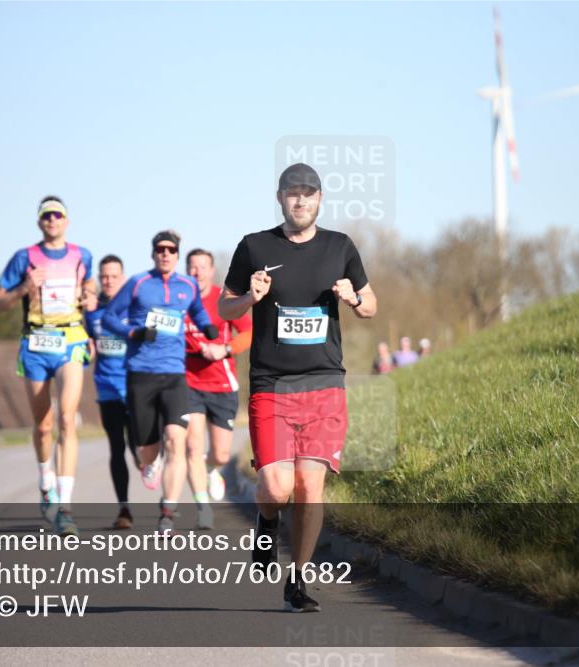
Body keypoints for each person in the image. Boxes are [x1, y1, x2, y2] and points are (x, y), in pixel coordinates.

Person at [219, 163, 377, 612]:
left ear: (320, 199)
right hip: (272, 384)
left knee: (310, 486)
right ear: (280, 197)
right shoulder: (254, 247)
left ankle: (298, 580)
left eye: (309, 193)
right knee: (276, 487)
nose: (301, 200)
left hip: (325, 384)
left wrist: (354, 298)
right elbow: (225, 308)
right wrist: (250, 297)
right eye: (293, 193)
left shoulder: (340, 247)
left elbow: (371, 305)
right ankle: (266, 522)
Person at [101, 230, 218, 536]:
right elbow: (110, 318)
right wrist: (133, 333)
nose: (166, 254)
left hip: (174, 374)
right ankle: (149, 463)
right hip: (141, 374)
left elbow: (197, 309)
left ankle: (167, 511)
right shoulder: (139, 283)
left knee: (176, 440)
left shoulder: (187, 285)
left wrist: (206, 325)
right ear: (153, 253)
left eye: (171, 250)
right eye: (160, 249)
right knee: (147, 451)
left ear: (177, 255)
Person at [0, 196, 96, 537]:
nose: (52, 220)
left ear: (67, 221)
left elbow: (90, 286)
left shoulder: (82, 255)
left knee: (67, 418)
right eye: (46, 216)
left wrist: (89, 295)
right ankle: (45, 477)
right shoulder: (25, 257)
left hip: (70, 340)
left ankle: (65, 507)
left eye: (58, 215)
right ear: (40, 222)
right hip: (36, 343)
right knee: (43, 425)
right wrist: (23, 288)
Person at [184, 248, 253, 509]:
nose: (197, 271)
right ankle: (202, 509)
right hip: (188, 382)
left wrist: (223, 349)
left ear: (211, 271)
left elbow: (247, 332)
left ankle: (211, 468)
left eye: (202, 266)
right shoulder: (179, 300)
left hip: (222, 383)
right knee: (192, 445)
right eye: (192, 266)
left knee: (222, 454)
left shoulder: (222, 300)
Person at [85, 254, 148, 530]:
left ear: (123, 278)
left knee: (138, 448)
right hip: (107, 388)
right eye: (104, 277)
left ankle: (145, 459)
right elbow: (85, 341)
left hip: (134, 387)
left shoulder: (133, 309)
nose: (108, 281)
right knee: (116, 447)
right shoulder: (91, 311)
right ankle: (124, 509)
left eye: (114, 276)